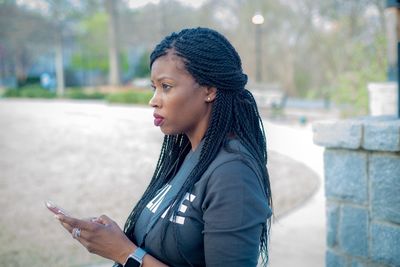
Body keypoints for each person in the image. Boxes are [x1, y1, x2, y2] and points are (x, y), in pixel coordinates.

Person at [55, 27, 273, 267]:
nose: (153, 100)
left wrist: (125, 253)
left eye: (166, 86)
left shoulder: (234, 174)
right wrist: (109, 238)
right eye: (154, 87)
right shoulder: (188, 156)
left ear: (209, 90)